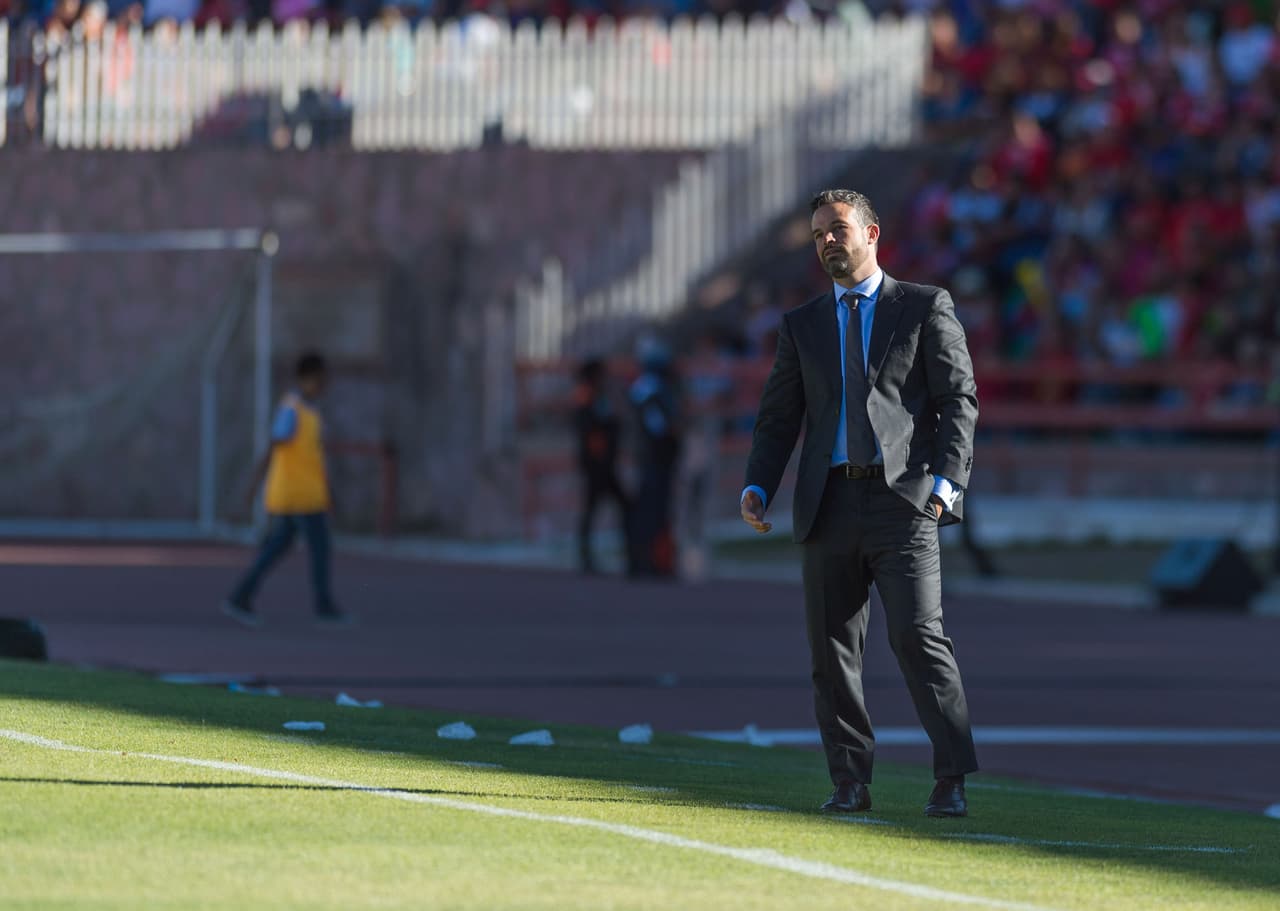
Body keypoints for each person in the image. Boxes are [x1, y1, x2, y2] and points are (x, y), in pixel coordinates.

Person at [740, 189, 979, 818]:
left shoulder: (926, 307)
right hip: (827, 502)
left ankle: (952, 776)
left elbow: (959, 399)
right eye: (818, 233)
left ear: (872, 233)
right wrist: (758, 484)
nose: (827, 241)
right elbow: (779, 417)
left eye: (838, 229)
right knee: (831, 651)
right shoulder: (803, 324)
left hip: (903, 502)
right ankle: (850, 781)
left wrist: (947, 485)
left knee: (918, 639)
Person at [221, 352, 352, 628]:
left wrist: (329, 493)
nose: (326, 383)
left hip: (307, 494)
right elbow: (272, 448)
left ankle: (241, 595)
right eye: (322, 377)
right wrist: (253, 488)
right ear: (309, 377)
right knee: (319, 548)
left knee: (277, 547)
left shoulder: (310, 412)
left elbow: (314, 459)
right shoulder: (291, 410)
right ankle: (324, 605)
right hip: (298, 496)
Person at [628, 336, 682, 578]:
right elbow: (659, 427)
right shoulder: (650, 389)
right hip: (655, 458)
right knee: (653, 510)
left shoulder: (647, 387)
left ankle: (655, 560)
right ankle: (650, 561)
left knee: (655, 509)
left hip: (653, 458)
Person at [572, 358, 630, 574]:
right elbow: (592, 428)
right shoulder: (587, 397)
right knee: (601, 508)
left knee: (598, 509)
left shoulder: (596, 397)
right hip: (598, 463)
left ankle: (592, 557)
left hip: (602, 462)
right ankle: (590, 557)